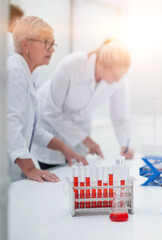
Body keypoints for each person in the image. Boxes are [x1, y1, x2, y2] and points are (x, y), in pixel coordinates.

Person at [31, 39, 134, 170]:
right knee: (54, 174)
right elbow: (51, 111)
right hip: (50, 122)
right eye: (115, 75)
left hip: (78, 125)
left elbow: (120, 116)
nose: (118, 80)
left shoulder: (118, 78)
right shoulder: (71, 65)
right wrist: (86, 140)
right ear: (101, 63)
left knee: (77, 173)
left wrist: (125, 144)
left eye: (121, 75)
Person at [7, 16, 86, 182]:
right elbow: (8, 125)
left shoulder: (31, 73)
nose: (52, 49)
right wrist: (30, 168)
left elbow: (30, 128)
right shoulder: (14, 71)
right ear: (25, 44)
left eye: (53, 43)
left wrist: (63, 148)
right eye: (46, 42)